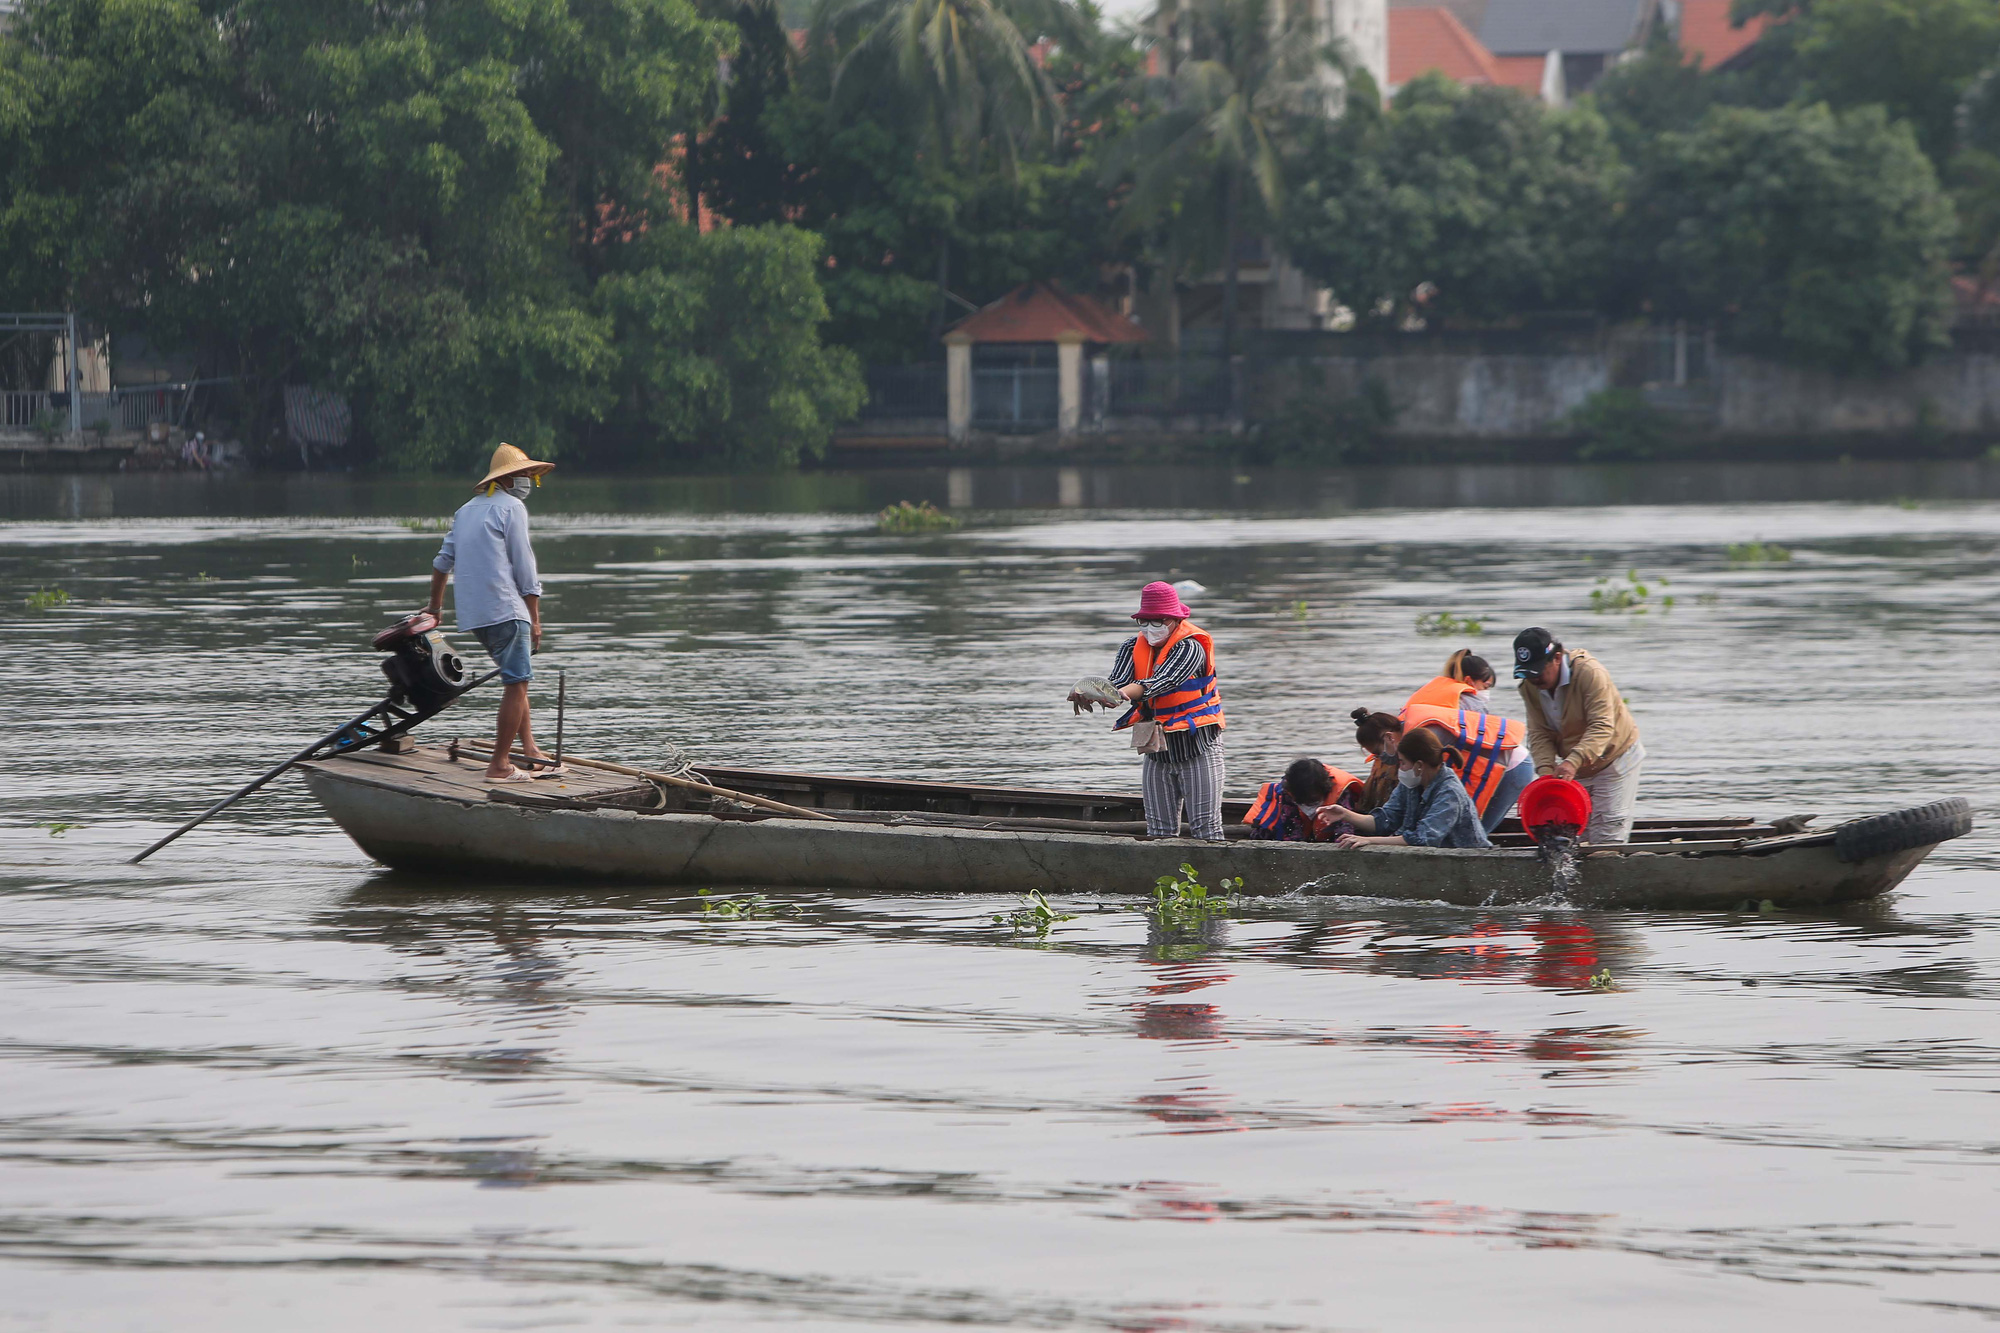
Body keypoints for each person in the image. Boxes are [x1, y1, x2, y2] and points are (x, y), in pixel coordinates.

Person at [425, 443, 563, 783]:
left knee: (518, 680)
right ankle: (499, 764)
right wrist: (535, 617)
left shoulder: (466, 510)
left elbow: (443, 562)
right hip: (507, 608)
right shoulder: (511, 507)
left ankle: (530, 751)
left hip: (477, 615)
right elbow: (524, 564)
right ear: (508, 478)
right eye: (524, 474)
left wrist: (436, 608)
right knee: (517, 684)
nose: (528, 479)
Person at [1084, 581, 1227, 840]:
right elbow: (1116, 681)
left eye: (1158, 621)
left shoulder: (1190, 647)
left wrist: (1125, 693)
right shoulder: (1131, 646)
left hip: (1198, 745)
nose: (1151, 628)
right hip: (1157, 750)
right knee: (1159, 833)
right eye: (1145, 621)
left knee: (1206, 829)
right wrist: (1092, 692)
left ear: (1173, 619)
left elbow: (1163, 682)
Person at [1512, 627, 1643, 844]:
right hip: (1578, 763)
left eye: (1537, 672)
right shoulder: (1529, 686)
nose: (1533, 680)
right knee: (1577, 834)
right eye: (1527, 673)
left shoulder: (1589, 673)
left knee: (1606, 834)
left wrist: (1573, 761)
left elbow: (1601, 726)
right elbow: (1539, 732)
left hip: (1615, 757)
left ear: (1556, 658)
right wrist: (1545, 772)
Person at [1399, 651, 1535, 833]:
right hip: (1503, 759)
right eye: (1486, 686)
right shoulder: (1472, 702)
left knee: (1474, 832)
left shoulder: (1436, 691)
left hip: (1512, 765)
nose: (1486, 693)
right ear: (1470, 682)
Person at [1331, 726, 1493, 850]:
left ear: (1419, 765)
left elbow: (1423, 839)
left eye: (1402, 762)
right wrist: (1345, 814)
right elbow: (1386, 820)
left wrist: (1370, 840)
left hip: (1469, 858)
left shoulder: (1449, 792)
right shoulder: (1410, 784)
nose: (1399, 768)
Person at [1244, 757, 1365, 842]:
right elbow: (1291, 830)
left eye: (1312, 799)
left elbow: (1345, 828)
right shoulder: (1288, 792)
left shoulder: (1341, 792)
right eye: (1303, 800)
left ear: (1323, 788)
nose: (1307, 804)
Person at [1402, 649, 1494, 714]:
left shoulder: (1432, 689)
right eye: (1485, 687)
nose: (1486, 692)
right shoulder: (1474, 705)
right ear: (1468, 680)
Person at [1350, 708, 1404, 812]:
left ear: (1389, 737)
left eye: (1378, 753)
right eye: (1376, 755)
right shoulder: (1382, 766)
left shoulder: (1415, 755)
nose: (1381, 758)